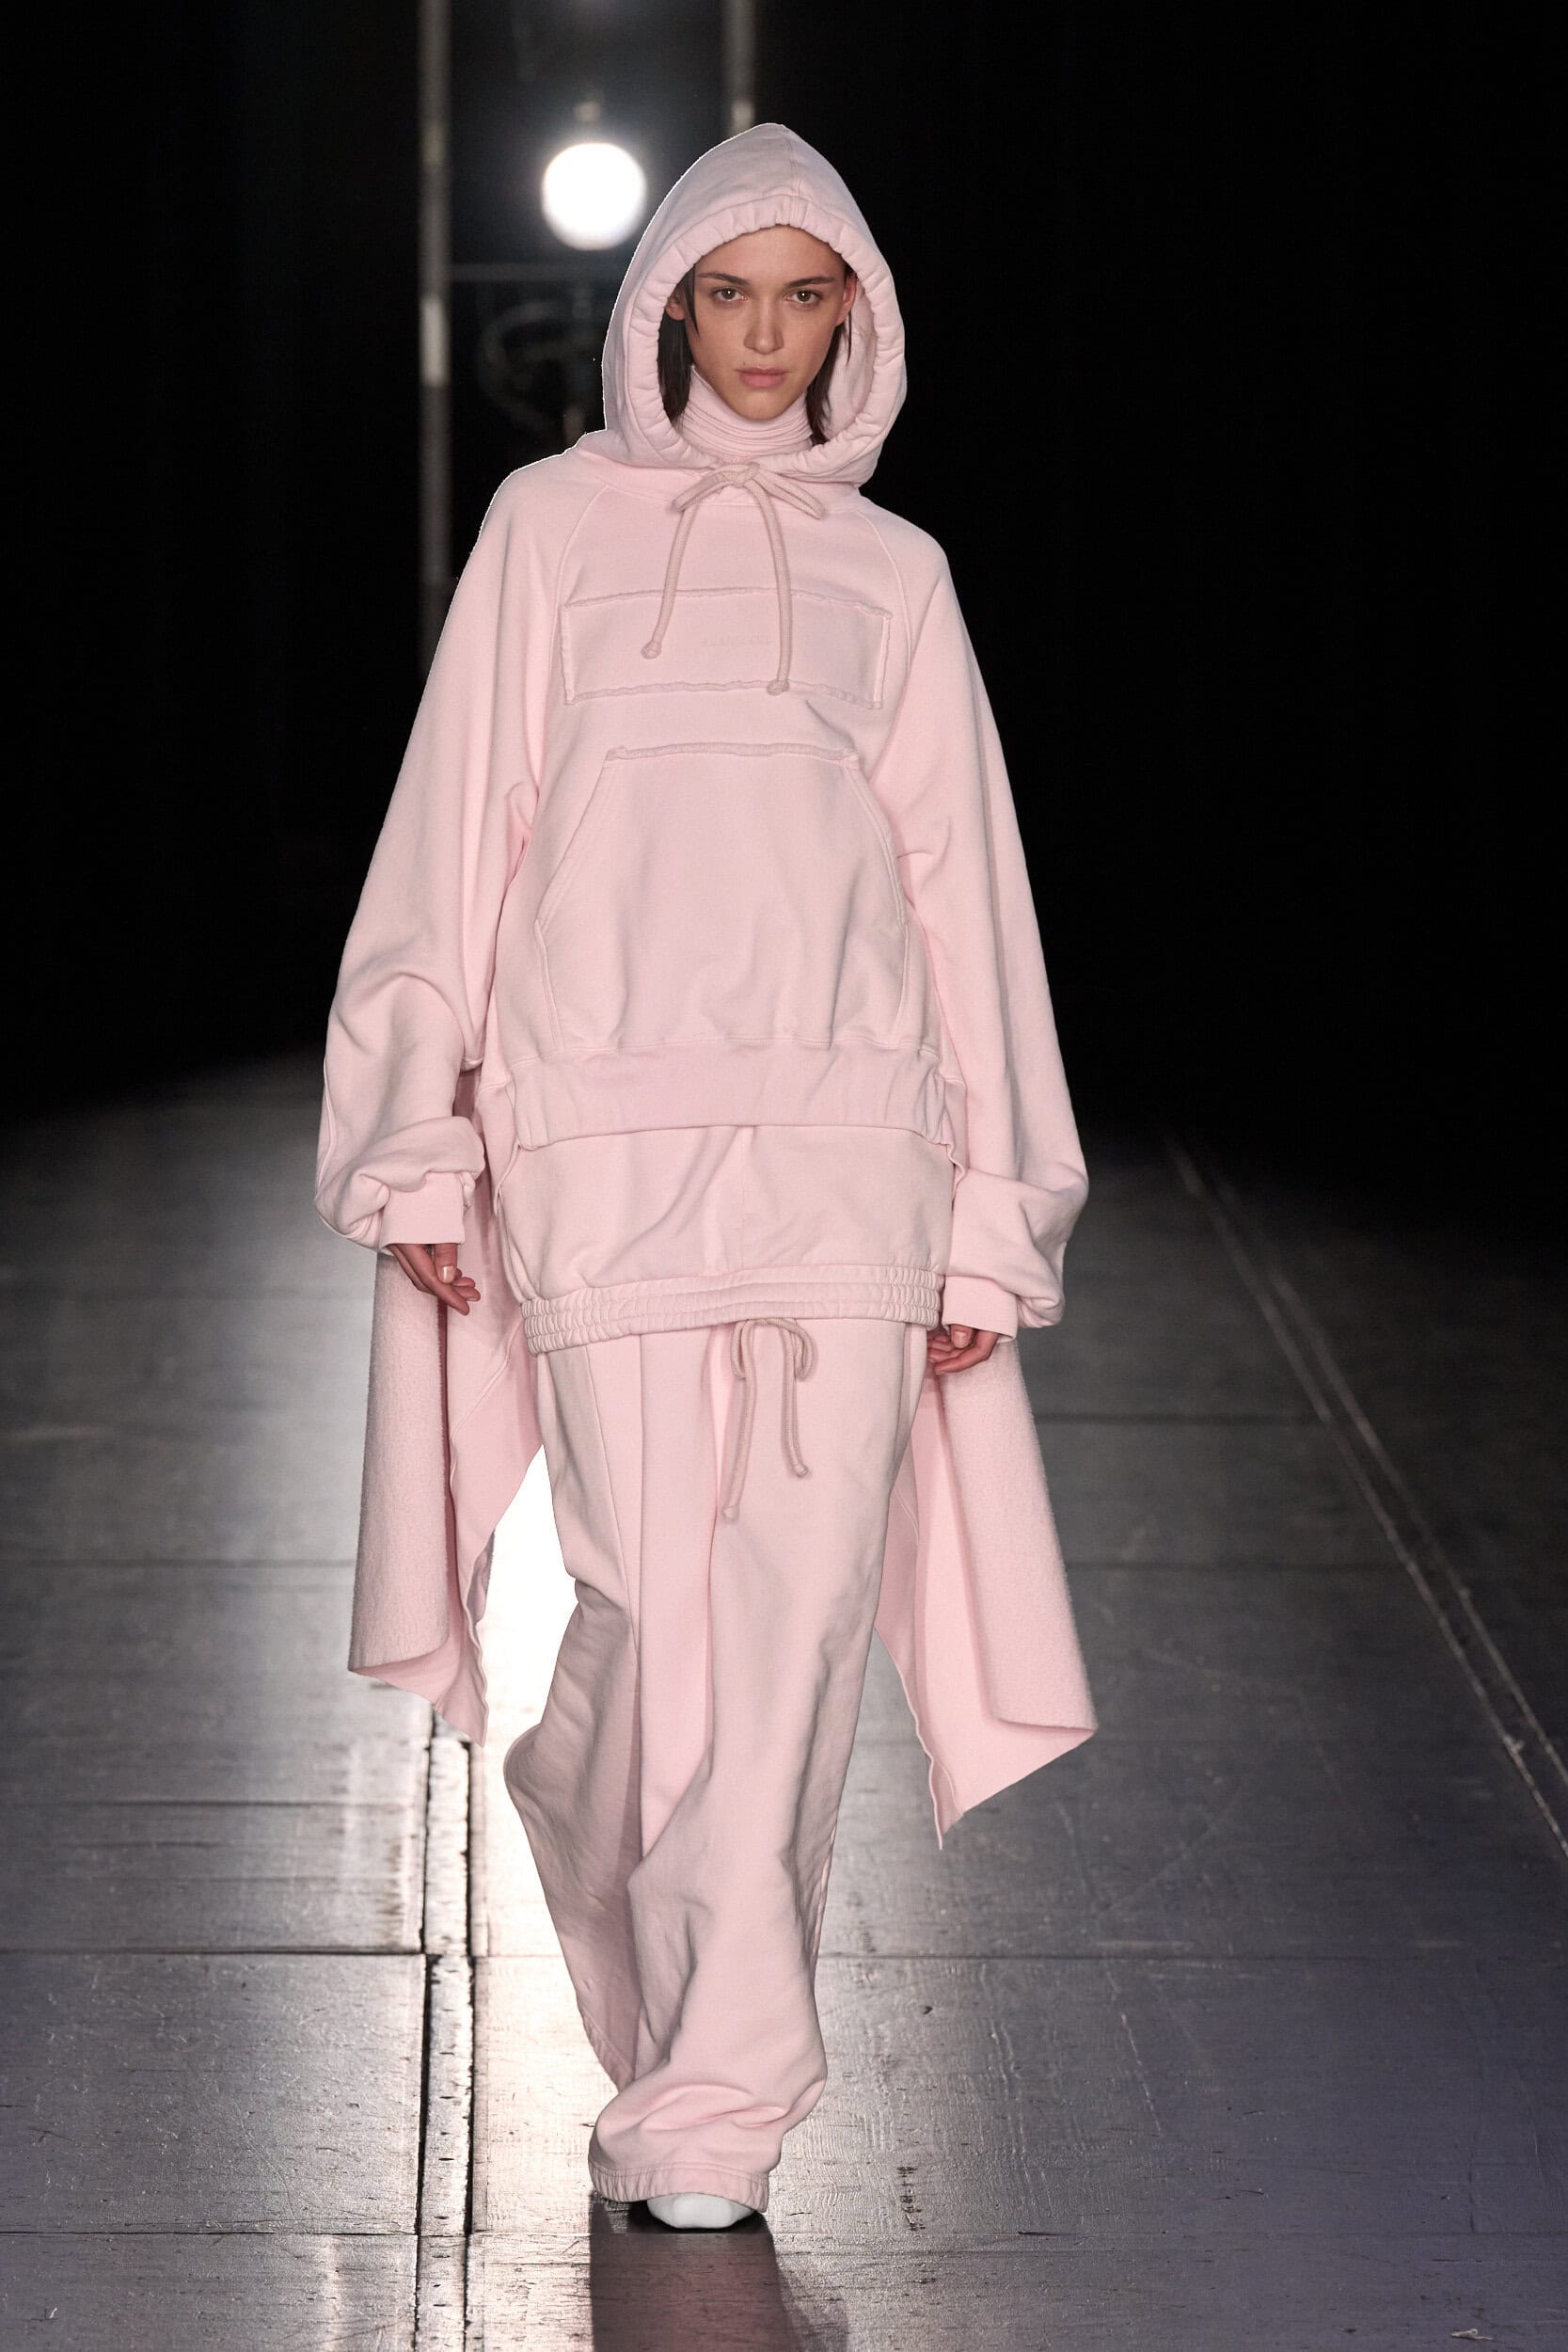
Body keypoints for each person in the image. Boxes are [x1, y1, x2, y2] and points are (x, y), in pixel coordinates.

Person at [315, 122, 1087, 2231]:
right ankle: (630, 1904)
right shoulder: (546, 531)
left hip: (852, 1161)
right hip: (602, 1148)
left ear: (857, 320)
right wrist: (416, 1132)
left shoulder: (896, 578)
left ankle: (718, 2094)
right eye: (727, 295)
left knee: (802, 1631)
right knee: (655, 1618)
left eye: (804, 297)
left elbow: (969, 907)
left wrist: (991, 1215)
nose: (764, 337)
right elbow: (455, 835)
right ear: (666, 310)